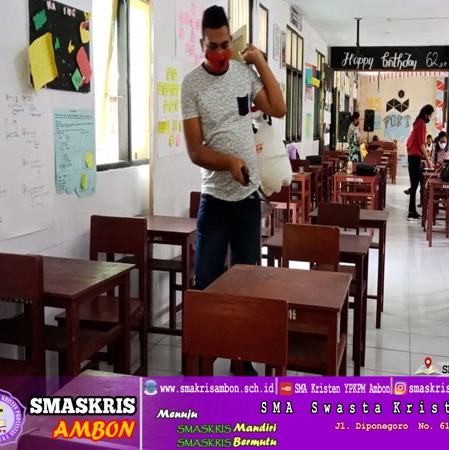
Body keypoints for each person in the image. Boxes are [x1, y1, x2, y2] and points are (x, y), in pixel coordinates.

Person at [180, 5, 285, 375]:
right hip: (214, 201)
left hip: (247, 201)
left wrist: (259, 61)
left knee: (247, 283)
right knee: (205, 286)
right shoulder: (191, 85)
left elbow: (278, 107)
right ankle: (202, 364)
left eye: (225, 45)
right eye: (213, 46)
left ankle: (241, 362)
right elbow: (195, 151)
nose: (221, 53)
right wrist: (228, 163)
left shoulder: (243, 74)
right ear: (202, 45)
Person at [405, 105, 434, 220]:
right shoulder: (421, 123)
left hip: (413, 155)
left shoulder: (418, 122)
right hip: (415, 156)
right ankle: (411, 211)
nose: (430, 118)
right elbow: (421, 144)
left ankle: (412, 210)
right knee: (415, 182)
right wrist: (428, 160)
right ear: (426, 114)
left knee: (415, 182)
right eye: (430, 115)